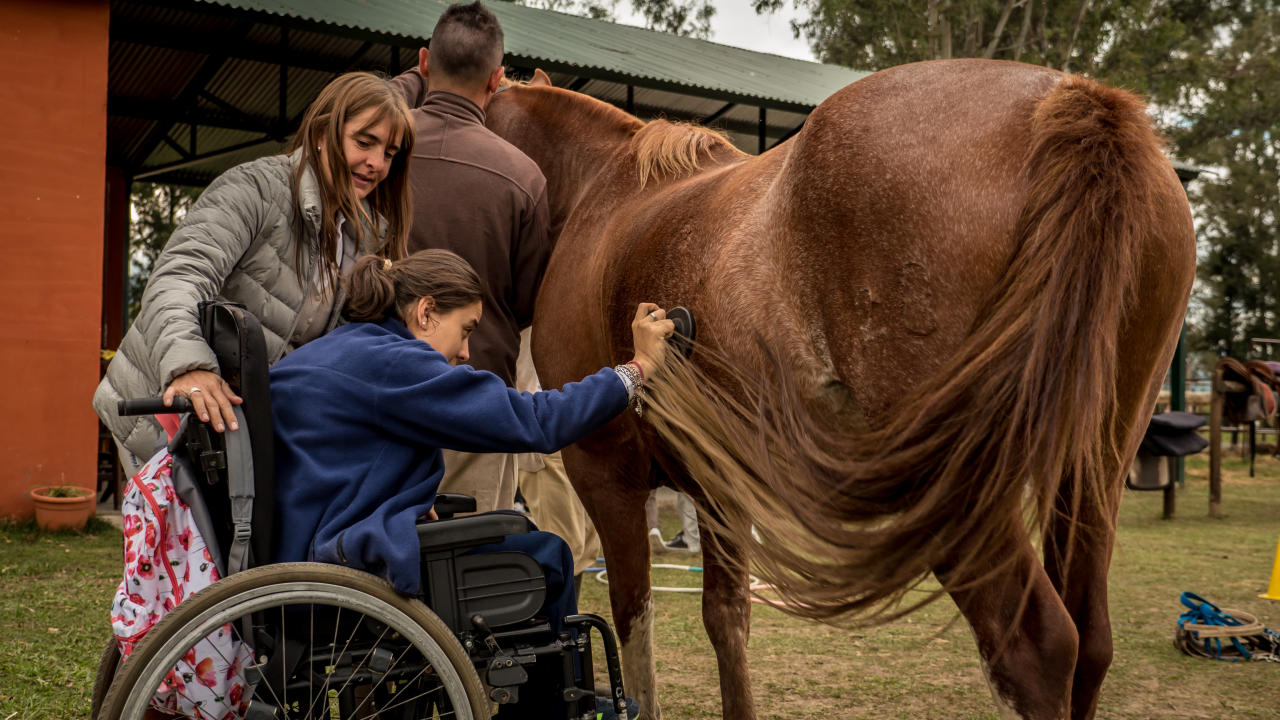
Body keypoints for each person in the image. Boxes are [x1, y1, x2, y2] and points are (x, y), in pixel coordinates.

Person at [268, 249, 674, 625]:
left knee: (515, 531)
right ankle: (550, 704)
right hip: (335, 572)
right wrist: (635, 369)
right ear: (426, 312)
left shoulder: (339, 349)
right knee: (547, 557)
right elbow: (538, 422)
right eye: (466, 330)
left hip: (296, 558)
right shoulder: (396, 363)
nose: (465, 352)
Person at [94, 71, 415, 472]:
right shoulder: (253, 188)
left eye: (389, 152)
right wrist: (190, 367)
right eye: (364, 142)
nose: (376, 163)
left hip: (242, 428)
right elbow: (178, 279)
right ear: (321, 132)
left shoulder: (364, 237)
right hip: (167, 410)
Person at [391, 1, 551, 514]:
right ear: (497, 78)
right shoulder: (524, 176)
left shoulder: (379, 152)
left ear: (422, 63)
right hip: (476, 400)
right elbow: (528, 302)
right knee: (468, 570)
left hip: (378, 395)